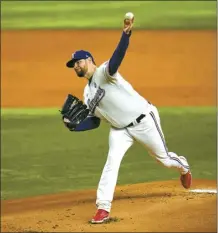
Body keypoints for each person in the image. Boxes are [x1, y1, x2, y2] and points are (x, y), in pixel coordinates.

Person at [65, 16, 192, 224]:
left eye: (78, 62)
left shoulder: (105, 72)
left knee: (164, 159)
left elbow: (117, 57)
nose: (76, 67)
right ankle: (103, 208)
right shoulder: (86, 93)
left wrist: (126, 34)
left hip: (144, 120)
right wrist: (75, 126)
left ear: (89, 60)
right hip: (119, 131)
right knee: (111, 163)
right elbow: (95, 121)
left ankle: (184, 167)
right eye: (73, 65)